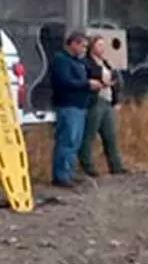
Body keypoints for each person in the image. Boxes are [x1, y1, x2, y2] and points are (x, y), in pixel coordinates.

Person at [50, 31, 101, 187]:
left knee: (75, 142)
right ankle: (61, 175)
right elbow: (65, 82)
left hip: (80, 106)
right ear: (73, 44)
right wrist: (87, 84)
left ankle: (69, 172)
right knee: (67, 140)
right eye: (83, 46)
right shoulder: (61, 61)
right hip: (67, 105)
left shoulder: (79, 62)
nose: (85, 49)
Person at [79, 35, 127, 176]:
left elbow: (115, 81)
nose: (102, 48)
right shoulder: (87, 63)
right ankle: (88, 166)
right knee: (90, 134)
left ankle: (116, 165)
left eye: (103, 45)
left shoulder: (105, 63)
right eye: (99, 45)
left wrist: (116, 99)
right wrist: (100, 82)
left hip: (108, 101)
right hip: (95, 100)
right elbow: (86, 79)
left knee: (110, 135)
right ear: (92, 47)